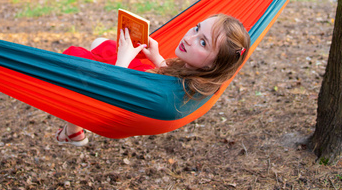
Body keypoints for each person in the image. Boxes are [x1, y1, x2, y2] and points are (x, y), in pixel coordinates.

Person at [55, 14, 251, 147]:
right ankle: (73, 131)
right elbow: (174, 77)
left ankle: (73, 130)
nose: (189, 38)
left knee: (75, 71)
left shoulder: (167, 95)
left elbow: (111, 93)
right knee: (99, 43)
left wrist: (124, 57)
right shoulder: (201, 77)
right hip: (143, 81)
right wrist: (157, 57)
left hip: (119, 96)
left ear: (212, 65)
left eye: (203, 42)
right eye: (196, 29)